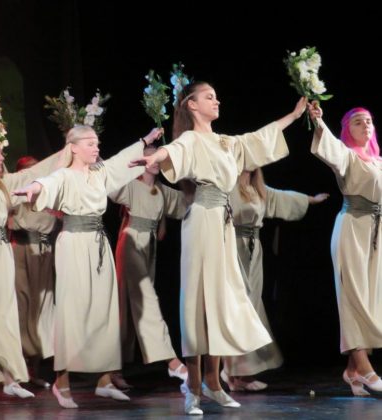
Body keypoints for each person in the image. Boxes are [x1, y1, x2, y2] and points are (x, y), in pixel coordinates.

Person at [130, 80, 307, 415]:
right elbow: (173, 151)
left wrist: (294, 116)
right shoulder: (190, 139)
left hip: (223, 224)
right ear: (192, 105)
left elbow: (260, 138)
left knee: (221, 300)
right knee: (198, 300)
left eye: (217, 96)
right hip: (202, 221)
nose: (217, 101)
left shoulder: (226, 142)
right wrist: (155, 157)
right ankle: (194, 387)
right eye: (209, 97)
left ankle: (214, 383)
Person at [13, 125, 164, 409]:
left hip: (98, 244)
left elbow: (121, 161)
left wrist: (145, 141)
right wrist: (33, 188)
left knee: (104, 310)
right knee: (73, 311)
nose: (97, 148)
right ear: (73, 147)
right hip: (74, 244)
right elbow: (47, 183)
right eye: (90, 144)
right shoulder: (64, 175)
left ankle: (105, 380)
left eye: (97, 143)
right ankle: (62, 382)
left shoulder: (99, 172)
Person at [0, 135, 64, 404]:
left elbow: (32, 173)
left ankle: (10, 380)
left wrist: (67, 152)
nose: (2, 158)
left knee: (6, 317)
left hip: (2, 253)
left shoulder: (3, 185)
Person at [221, 168, 329, 391]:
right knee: (236, 308)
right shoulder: (228, 186)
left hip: (253, 251)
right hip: (232, 248)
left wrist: (310, 200)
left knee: (251, 307)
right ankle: (233, 371)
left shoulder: (258, 189)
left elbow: (282, 198)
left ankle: (239, 373)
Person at [308, 103, 382, 396]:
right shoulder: (347, 156)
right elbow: (328, 146)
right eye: (358, 122)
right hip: (352, 229)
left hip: (375, 233)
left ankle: (351, 371)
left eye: (369, 121)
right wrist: (318, 121)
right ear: (347, 131)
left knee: (370, 299)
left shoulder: (378, 161)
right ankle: (364, 368)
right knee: (352, 297)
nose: (366, 126)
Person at [109, 145, 189, 388]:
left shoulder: (162, 191)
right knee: (146, 299)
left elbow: (188, 202)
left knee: (131, 306)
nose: (155, 161)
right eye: (149, 156)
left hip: (149, 245)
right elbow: (109, 181)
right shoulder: (131, 186)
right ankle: (171, 360)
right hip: (131, 242)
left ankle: (113, 368)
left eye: (157, 157)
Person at [10, 156, 59, 389]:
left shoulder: (48, 195)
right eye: (28, 172)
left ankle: (35, 368)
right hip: (21, 249)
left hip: (44, 250)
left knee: (42, 307)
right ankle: (19, 369)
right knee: (21, 305)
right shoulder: (15, 196)